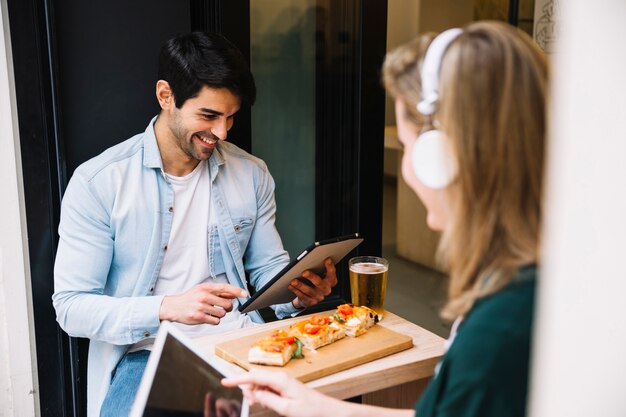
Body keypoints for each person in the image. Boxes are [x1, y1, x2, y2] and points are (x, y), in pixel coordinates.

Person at [223, 20, 547, 417]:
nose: (408, 169)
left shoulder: (503, 320)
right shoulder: (531, 282)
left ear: (440, 158)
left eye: (409, 146)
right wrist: (312, 407)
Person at [52, 32, 337, 417]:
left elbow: (270, 272)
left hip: (243, 342)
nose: (221, 133)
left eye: (231, 117)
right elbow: (71, 307)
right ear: (165, 96)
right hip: (145, 353)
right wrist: (167, 307)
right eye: (208, 115)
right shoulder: (100, 182)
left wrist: (299, 293)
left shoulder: (251, 174)